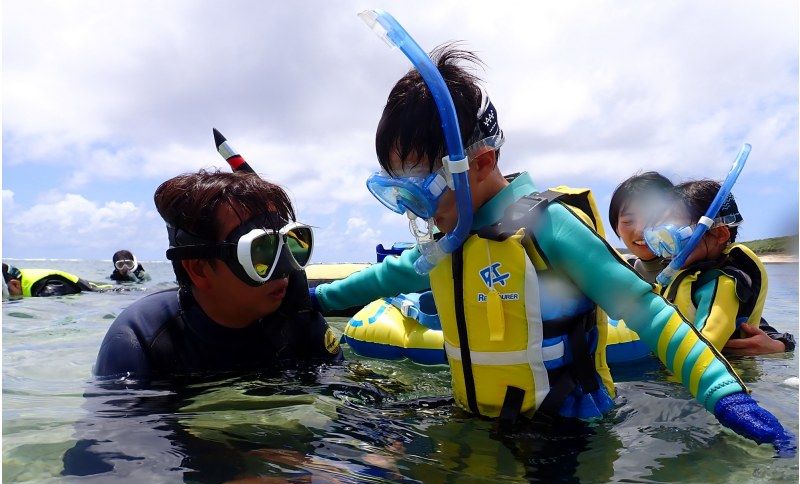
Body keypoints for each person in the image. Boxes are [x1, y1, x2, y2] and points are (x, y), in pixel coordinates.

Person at [310, 34, 790, 452]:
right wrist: (311, 298)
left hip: (566, 430)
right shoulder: (450, 239)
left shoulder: (549, 229)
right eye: (399, 188)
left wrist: (727, 397)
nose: (414, 207)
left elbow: (651, 313)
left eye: (422, 185)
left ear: (480, 161)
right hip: (483, 419)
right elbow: (381, 278)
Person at [94, 170, 343, 382]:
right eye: (261, 250)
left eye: (291, 245)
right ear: (200, 269)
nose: (286, 267)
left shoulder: (294, 315)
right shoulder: (140, 340)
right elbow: (119, 436)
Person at [609, 173, 794, 354]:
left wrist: (781, 345)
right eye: (628, 220)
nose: (642, 230)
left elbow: (745, 319)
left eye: (651, 220)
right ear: (615, 226)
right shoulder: (615, 272)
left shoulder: (710, 274)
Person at [2, 262, 104, 297]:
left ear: (15, 284)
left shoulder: (48, 290)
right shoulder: (20, 278)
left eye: (2, 293)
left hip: (105, 292)